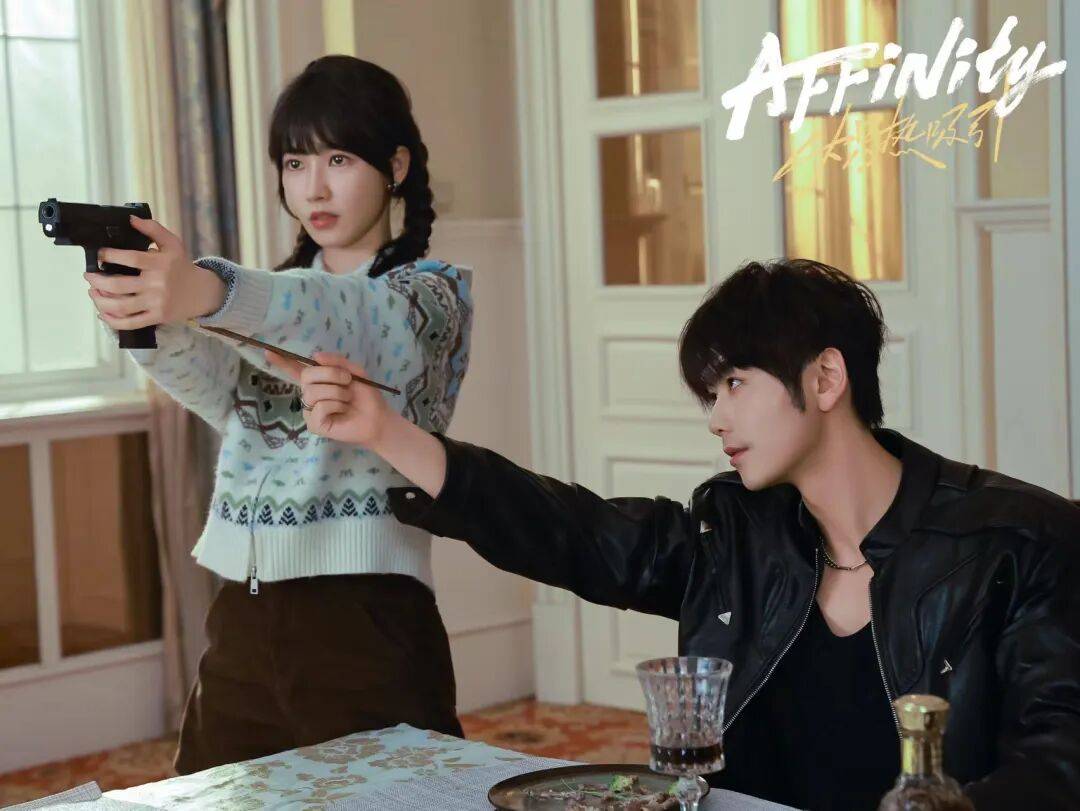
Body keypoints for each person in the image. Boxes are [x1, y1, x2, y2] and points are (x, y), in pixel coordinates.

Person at [267, 258, 1080, 810]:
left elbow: (1061, 758)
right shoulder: (737, 533)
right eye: (709, 394)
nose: (716, 417)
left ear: (827, 377)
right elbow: (572, 531)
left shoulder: (1017, 541)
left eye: (734, 384)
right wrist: (386, 430)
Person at [85, 56, 472, 772]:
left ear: (396, 165)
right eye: (295, 164)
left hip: (365, 617)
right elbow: (224, 400)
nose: (313, 187)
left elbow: (342, 317)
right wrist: (148, 321)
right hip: (244, 609)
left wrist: (205, 294)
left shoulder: (431, 296)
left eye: (338, 159)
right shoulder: (265, 305)